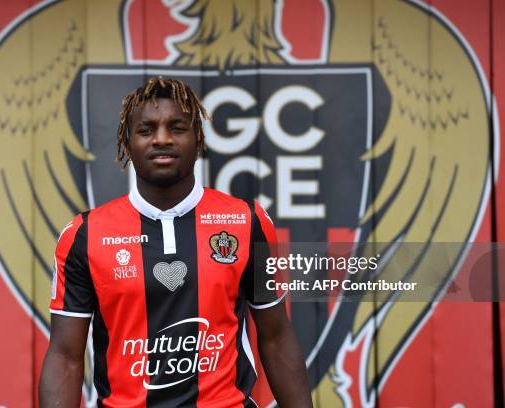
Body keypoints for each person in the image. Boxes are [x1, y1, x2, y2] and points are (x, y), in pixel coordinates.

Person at [39, 77, 313, 407]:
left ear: (198, 139)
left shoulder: (246, 221)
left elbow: (276, 338)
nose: (162, 139)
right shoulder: (84, 234)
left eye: (177, 127)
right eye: (147, 130)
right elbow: (66, 357)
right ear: (127, 142)